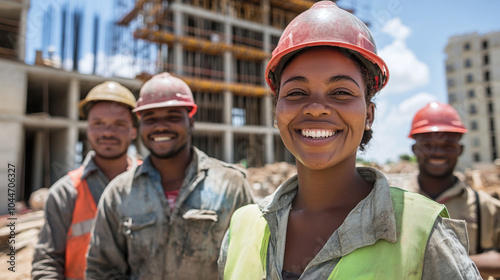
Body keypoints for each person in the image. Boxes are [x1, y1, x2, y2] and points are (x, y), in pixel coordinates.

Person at [218, 2, 481, 279]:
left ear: (369, 115)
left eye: (341, 92)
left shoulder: (423, 233)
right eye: (296, 93)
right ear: (276, 112)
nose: (316, 107)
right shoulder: (242, 227)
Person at [85, 72, 254, 279]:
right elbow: (102, 270)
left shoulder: (232, 185)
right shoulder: (119, 192)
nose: (161, 126)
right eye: (150, 119)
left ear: (191, 122)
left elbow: (249, 264)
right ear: (140, 127)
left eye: (173, 117)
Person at [32, 81, 140, 280]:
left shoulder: (152, 182)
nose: (107, 132)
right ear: (87, 128)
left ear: (134, 130)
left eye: (119, 124)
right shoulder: (66, 193)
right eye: (99, 123)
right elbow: (46, 264)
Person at [405, 101, 500, 279]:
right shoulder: (395, 204)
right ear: (414, 149)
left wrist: (449, 260)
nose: (438, 152)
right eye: (428, 145)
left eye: (447, 146)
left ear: (460, 150)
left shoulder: (487, 208)